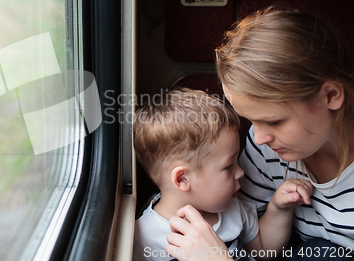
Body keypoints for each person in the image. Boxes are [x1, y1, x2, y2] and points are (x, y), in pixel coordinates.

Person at [166, 6, 354, 260]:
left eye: (274, 121)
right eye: (251, 121)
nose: (258, 138)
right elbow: (249, 230)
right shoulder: (267, 147)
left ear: (330, 96)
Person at [133, 88, 314, 261]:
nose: (241, 172)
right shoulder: (145, 237)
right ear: (182, 179)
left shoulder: (231, 209)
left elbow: (263, 250)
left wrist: (279, 209)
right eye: (228, 166)